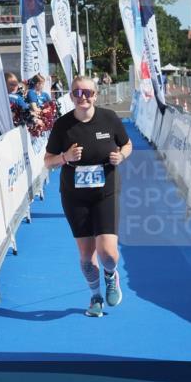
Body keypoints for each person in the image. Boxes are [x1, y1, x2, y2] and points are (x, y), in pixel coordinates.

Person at [44, 76, 132, 318]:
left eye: (88, 92)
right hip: (75, 196)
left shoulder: (109, 118)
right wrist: (65, 157)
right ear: (71, 96)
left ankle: (110, 275)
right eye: (77, 92)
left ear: (96, 95)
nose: (83, 97)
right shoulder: (63, 125)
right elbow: (47, 161)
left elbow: (127, 144)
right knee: (86, 256)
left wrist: (121, 157)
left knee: (108, 253)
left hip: (106, 191)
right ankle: (95, 296)